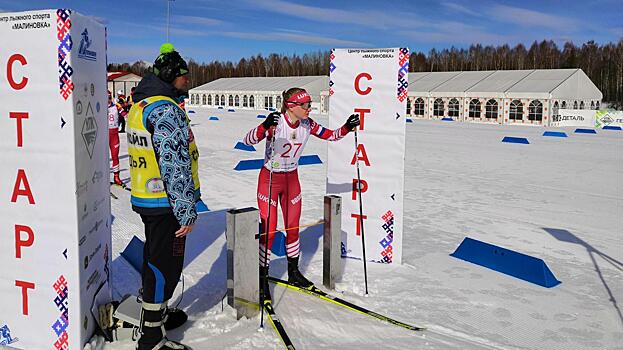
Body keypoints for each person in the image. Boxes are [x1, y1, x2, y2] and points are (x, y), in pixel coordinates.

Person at [243, 88, 360, 302]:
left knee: (293, 228)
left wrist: (347, 127)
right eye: (305, 105)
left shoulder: (308, 124)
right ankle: (262, 277)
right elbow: (247, 140)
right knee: (269, 231)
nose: (309, 108)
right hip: (270, 179)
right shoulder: (277, 123)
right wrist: (264, 126)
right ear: (291, 106)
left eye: (310, 104)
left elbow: (331, 136)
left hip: (292, 181)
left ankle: (294, 272)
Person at [127, 43, 200, 350]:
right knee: (164, 265)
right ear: (171, 76)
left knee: (154, 258)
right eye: (183, 75)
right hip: (165, 201)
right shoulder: (165, 109)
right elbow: (175, 164)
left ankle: (156, 315)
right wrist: (185, 210)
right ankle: (152, 337)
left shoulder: (143, 104)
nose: (187, 80)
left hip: (150, 198)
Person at [108, 90, 127, 187]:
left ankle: (116, 177)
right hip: (104, 135)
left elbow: (125, 115)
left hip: (114, 134)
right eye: (106, 98)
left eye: (109, 98)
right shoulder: (99, 106)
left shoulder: (116, 106)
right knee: (102, 157)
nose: (108, 100)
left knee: (115, 156)